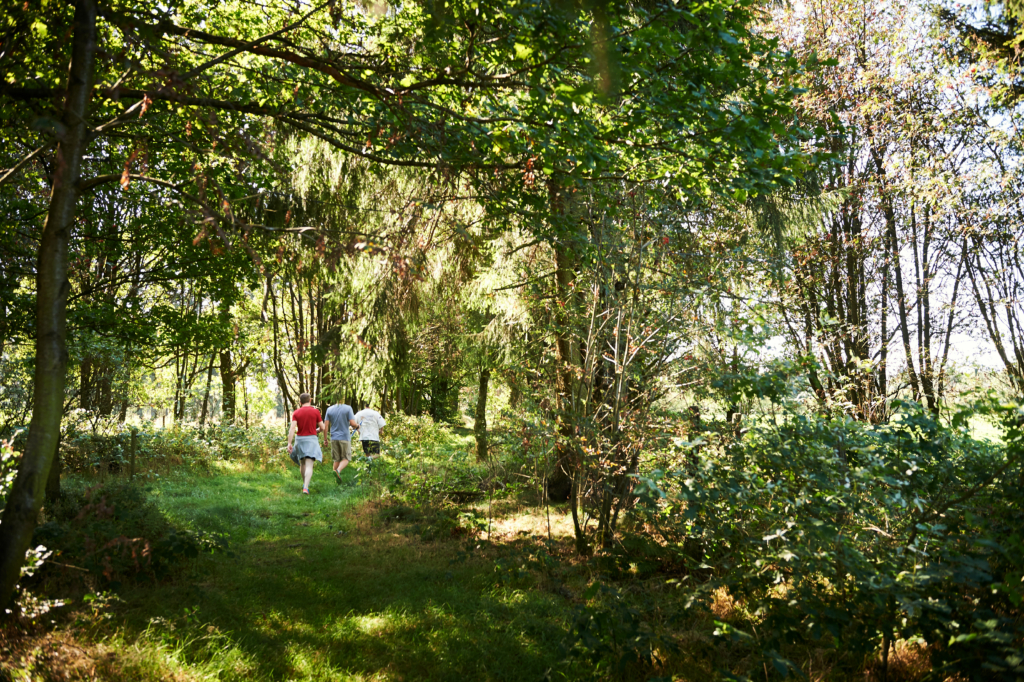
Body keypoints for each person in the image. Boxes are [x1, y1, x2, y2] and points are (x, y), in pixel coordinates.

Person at [287, 393, 324, 494]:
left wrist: (289, 443)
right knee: (309, 464)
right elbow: (323, 427)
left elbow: (293, 428)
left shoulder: (296, 412)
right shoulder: (316, 412)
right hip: (311, 440)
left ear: (300, 402)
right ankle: (306, 487)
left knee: (302, 463)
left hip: (300, 440)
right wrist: (315, 431)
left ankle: (304, 484)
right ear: (310, 400)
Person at [323, 397, 358, 485]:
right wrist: (357, 426)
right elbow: (353, 423)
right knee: (346, 458)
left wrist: (325, 439)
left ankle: (336, 481)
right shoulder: (348, 408)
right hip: (344, 438)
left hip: (333, 438)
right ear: (343, 398)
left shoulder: (329, 409)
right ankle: (338, 471)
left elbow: (325, 425)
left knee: (336, 459)